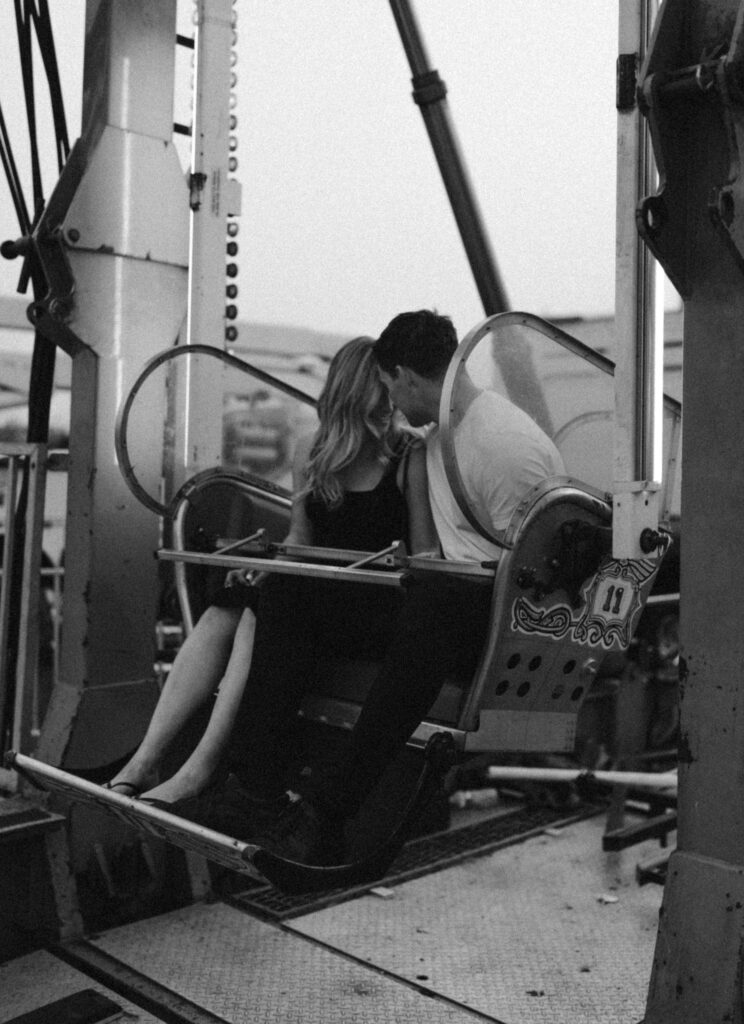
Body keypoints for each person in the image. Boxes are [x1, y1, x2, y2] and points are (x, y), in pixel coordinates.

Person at [229, 309, 567, 863]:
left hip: (497, 618)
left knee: (434, 600)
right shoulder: (439, 437)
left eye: (390, 387)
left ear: (406, 377)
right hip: (444, 597)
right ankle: (254, 783)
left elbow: (538, 576)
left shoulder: (506, 447)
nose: (390, 405)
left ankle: (329, 808)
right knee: (288, 594)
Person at [106, 336, 437, 806]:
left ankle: (203, 769)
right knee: (229, 606)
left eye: (389, 391)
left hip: (377, 599)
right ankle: (143, 764)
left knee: (261, 607)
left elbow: (426, 550)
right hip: (323, 592)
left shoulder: (408, 456)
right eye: (378, 390)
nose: (389, 404)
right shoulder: (312, 453)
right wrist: (270, 567)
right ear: (355, 391)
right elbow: (302, 538)